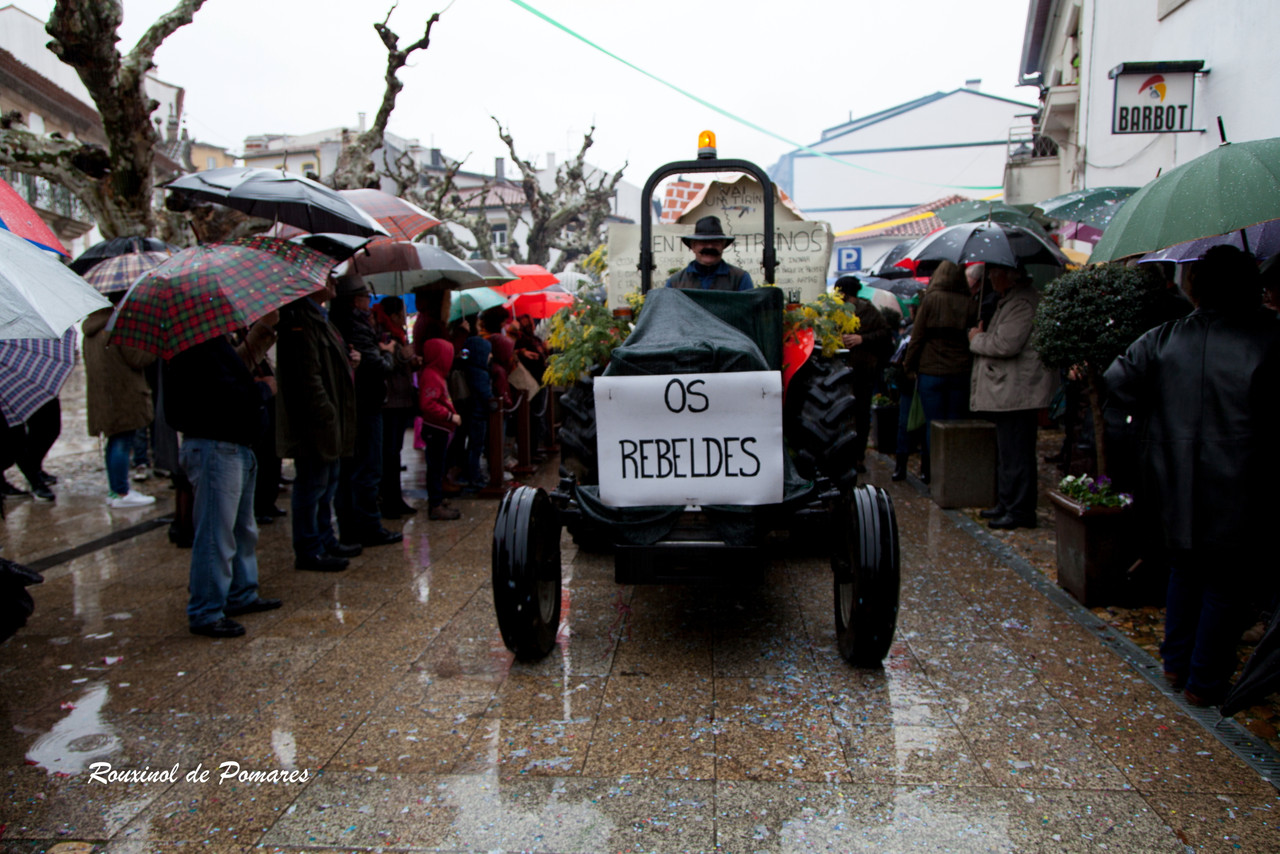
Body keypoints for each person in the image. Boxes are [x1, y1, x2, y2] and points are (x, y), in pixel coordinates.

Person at [1104, 245, 1280, 707]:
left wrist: (1141, 445)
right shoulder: (1269, 339)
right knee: (1226, 581)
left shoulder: (1163, 339)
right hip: (1242, 480)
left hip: (1174, 480)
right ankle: (1204, 680)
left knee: (1185, 568)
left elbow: (1116, 385)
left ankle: (1176, 661)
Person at [165, 316, 283, 638]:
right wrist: (261, 390)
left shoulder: (212, 344)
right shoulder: (197, 348)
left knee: (243, 529)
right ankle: (206, 610)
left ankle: (241, 592)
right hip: (217, 447)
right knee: (216, 534)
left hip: (233, 447)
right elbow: (221, 395)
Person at [275, 277, 363, 572]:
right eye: (326, 278)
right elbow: (308, 377)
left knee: (326, 484)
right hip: (317, 423)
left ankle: (325, 539)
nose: (333, 282)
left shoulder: (320, 318)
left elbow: (328, 363)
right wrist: (326, 412)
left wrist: (350, 359)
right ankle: (309, 547)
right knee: (312, 485)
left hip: (331, 419)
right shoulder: (301, 320)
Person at [968, 264, 1056, 530]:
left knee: (1017, 454)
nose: (991, 279)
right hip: (1011, 390)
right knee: (1009, 452)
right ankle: (1008, 503)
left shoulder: (1022, 303)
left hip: (1018, 392)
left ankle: (1019, 510)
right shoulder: (1012, 300)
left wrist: (977, 338)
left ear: (1008, 276)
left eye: (994, 274)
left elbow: (1006, 344)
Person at [328, 275, 401, 549]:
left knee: (352, 470)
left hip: (356, 404)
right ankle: (367, 525)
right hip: (365, 404)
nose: (370, 304)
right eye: (366, 298)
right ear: (356, 300)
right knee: (367, 468)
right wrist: (388, 352)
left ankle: (352, 526)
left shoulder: (344, 322)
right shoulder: (355, 324)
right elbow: (377, 365)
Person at [904, 260, 978, 481]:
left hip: (931, 370)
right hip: (960, 370)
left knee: (933, 424)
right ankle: (953, 472)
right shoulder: (970, 303)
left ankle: (930, 470)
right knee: (955, 423)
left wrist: (908, 365)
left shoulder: (930, 301)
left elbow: (916, 338)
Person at [82, 300, 158, 508]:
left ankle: (115, 490)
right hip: (124, 394)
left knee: (115, 440)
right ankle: (121, 492)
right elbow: (139, 358)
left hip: (105, 395)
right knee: (122, 441)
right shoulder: (117, 325)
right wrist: (150, 342)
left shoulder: (92, 329)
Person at [832, 277, 892, 474]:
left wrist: (861, 339)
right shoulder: (835, 311)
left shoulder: (868, 311)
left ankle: (858, 456)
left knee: (861, 415)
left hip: (863, 372)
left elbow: (884, 335)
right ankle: (842, 455)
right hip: (840, 372)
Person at [372, 296, 420, 520]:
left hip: (401, 398)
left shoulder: (398, 333)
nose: (403, 316)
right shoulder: (385, 333)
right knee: (389, 452)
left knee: (395, 451)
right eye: (401, 311)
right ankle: (388, 498)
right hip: (391, 400)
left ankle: (395, 497)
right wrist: (401, 354)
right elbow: (385, 362)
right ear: (392, 315)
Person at [418, 338, 463, 520]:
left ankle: (437, 499)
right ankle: (435, 504)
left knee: (438, 465)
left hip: (441, 428)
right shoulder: (431, 375)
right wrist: (449, 416)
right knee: (435, 467)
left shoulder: (437, 375)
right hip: (436, 427)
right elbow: (428, 404)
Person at [665, 216, 753, 291]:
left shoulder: (740, 278)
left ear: (723, 246)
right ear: (693, 246)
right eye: (704, 242)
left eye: (715, 243)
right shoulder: (675, 282)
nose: (710, 247)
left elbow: (750, 309)